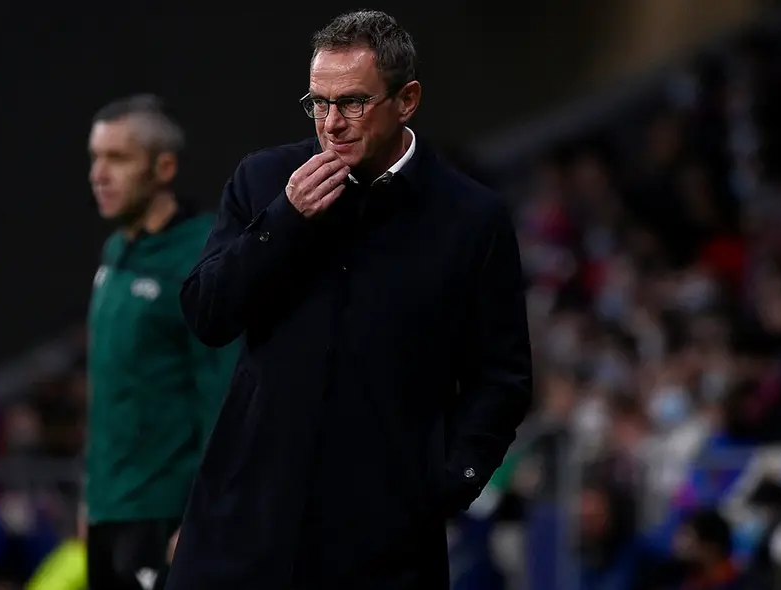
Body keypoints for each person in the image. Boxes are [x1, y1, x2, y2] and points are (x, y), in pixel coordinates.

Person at [166, 10, 532, 590]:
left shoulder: (471, 218)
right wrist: (283, 223)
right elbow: (207, 314)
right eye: (318, 103)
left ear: (406, 99)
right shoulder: (263, 181)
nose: (331, 123)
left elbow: (502, 376)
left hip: (383, 537)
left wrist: (450, 480)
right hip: (245, 523)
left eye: (353, 103)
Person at [85, 94, 237, 590]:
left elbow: (223, 397)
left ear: (163, 167)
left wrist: (202, 513)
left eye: (118, 158)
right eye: (95, 157)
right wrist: (92, 500)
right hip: (111, 510)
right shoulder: (115, 251)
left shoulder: (201, 255)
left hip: (166, 514)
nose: (99, 173)